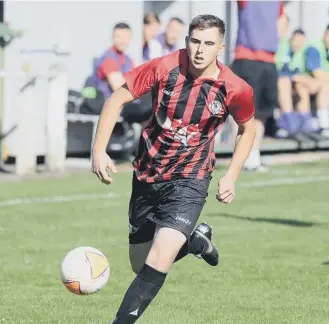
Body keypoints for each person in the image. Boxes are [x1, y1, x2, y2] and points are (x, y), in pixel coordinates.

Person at [90, 14, 257, 323]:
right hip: (147, 174)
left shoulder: (235, 88)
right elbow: (116, 100)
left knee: (160, 256)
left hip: (191, 179)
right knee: (140, 265)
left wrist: (232, 174)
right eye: (195, 41)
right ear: (186, 41)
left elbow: (248, 128)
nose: (200, 50)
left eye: (208, 43)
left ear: (220, 47)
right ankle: (194, 241)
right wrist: (98, 150)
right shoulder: (163, 67)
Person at [232, 0, 284, 171]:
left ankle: (253, 157)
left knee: (261, 114)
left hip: (269, 60)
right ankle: (240, 158)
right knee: (242, 113)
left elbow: (281, 24)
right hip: (247, 58)